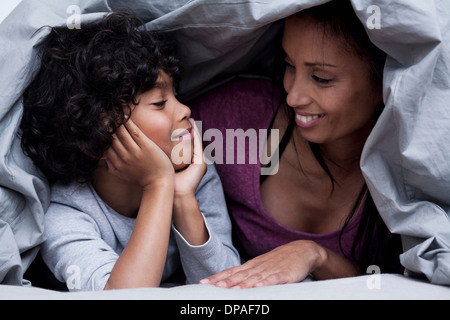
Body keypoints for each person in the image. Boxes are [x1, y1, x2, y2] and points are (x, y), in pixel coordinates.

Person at [19, 9, 239, 291]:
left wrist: (183, 198)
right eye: (160, 103)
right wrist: (157, 184)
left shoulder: (193, 173)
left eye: (177, 95)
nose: (185, 110)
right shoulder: (64, 214)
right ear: (98, 131)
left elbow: (228, 286)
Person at [192, 0, 403, 289]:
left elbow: (401, 284)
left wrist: (315, 256)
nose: (293, 97)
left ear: (385, 81)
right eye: (290, 65)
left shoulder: (412, 172)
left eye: (321, 78)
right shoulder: (237, 121)